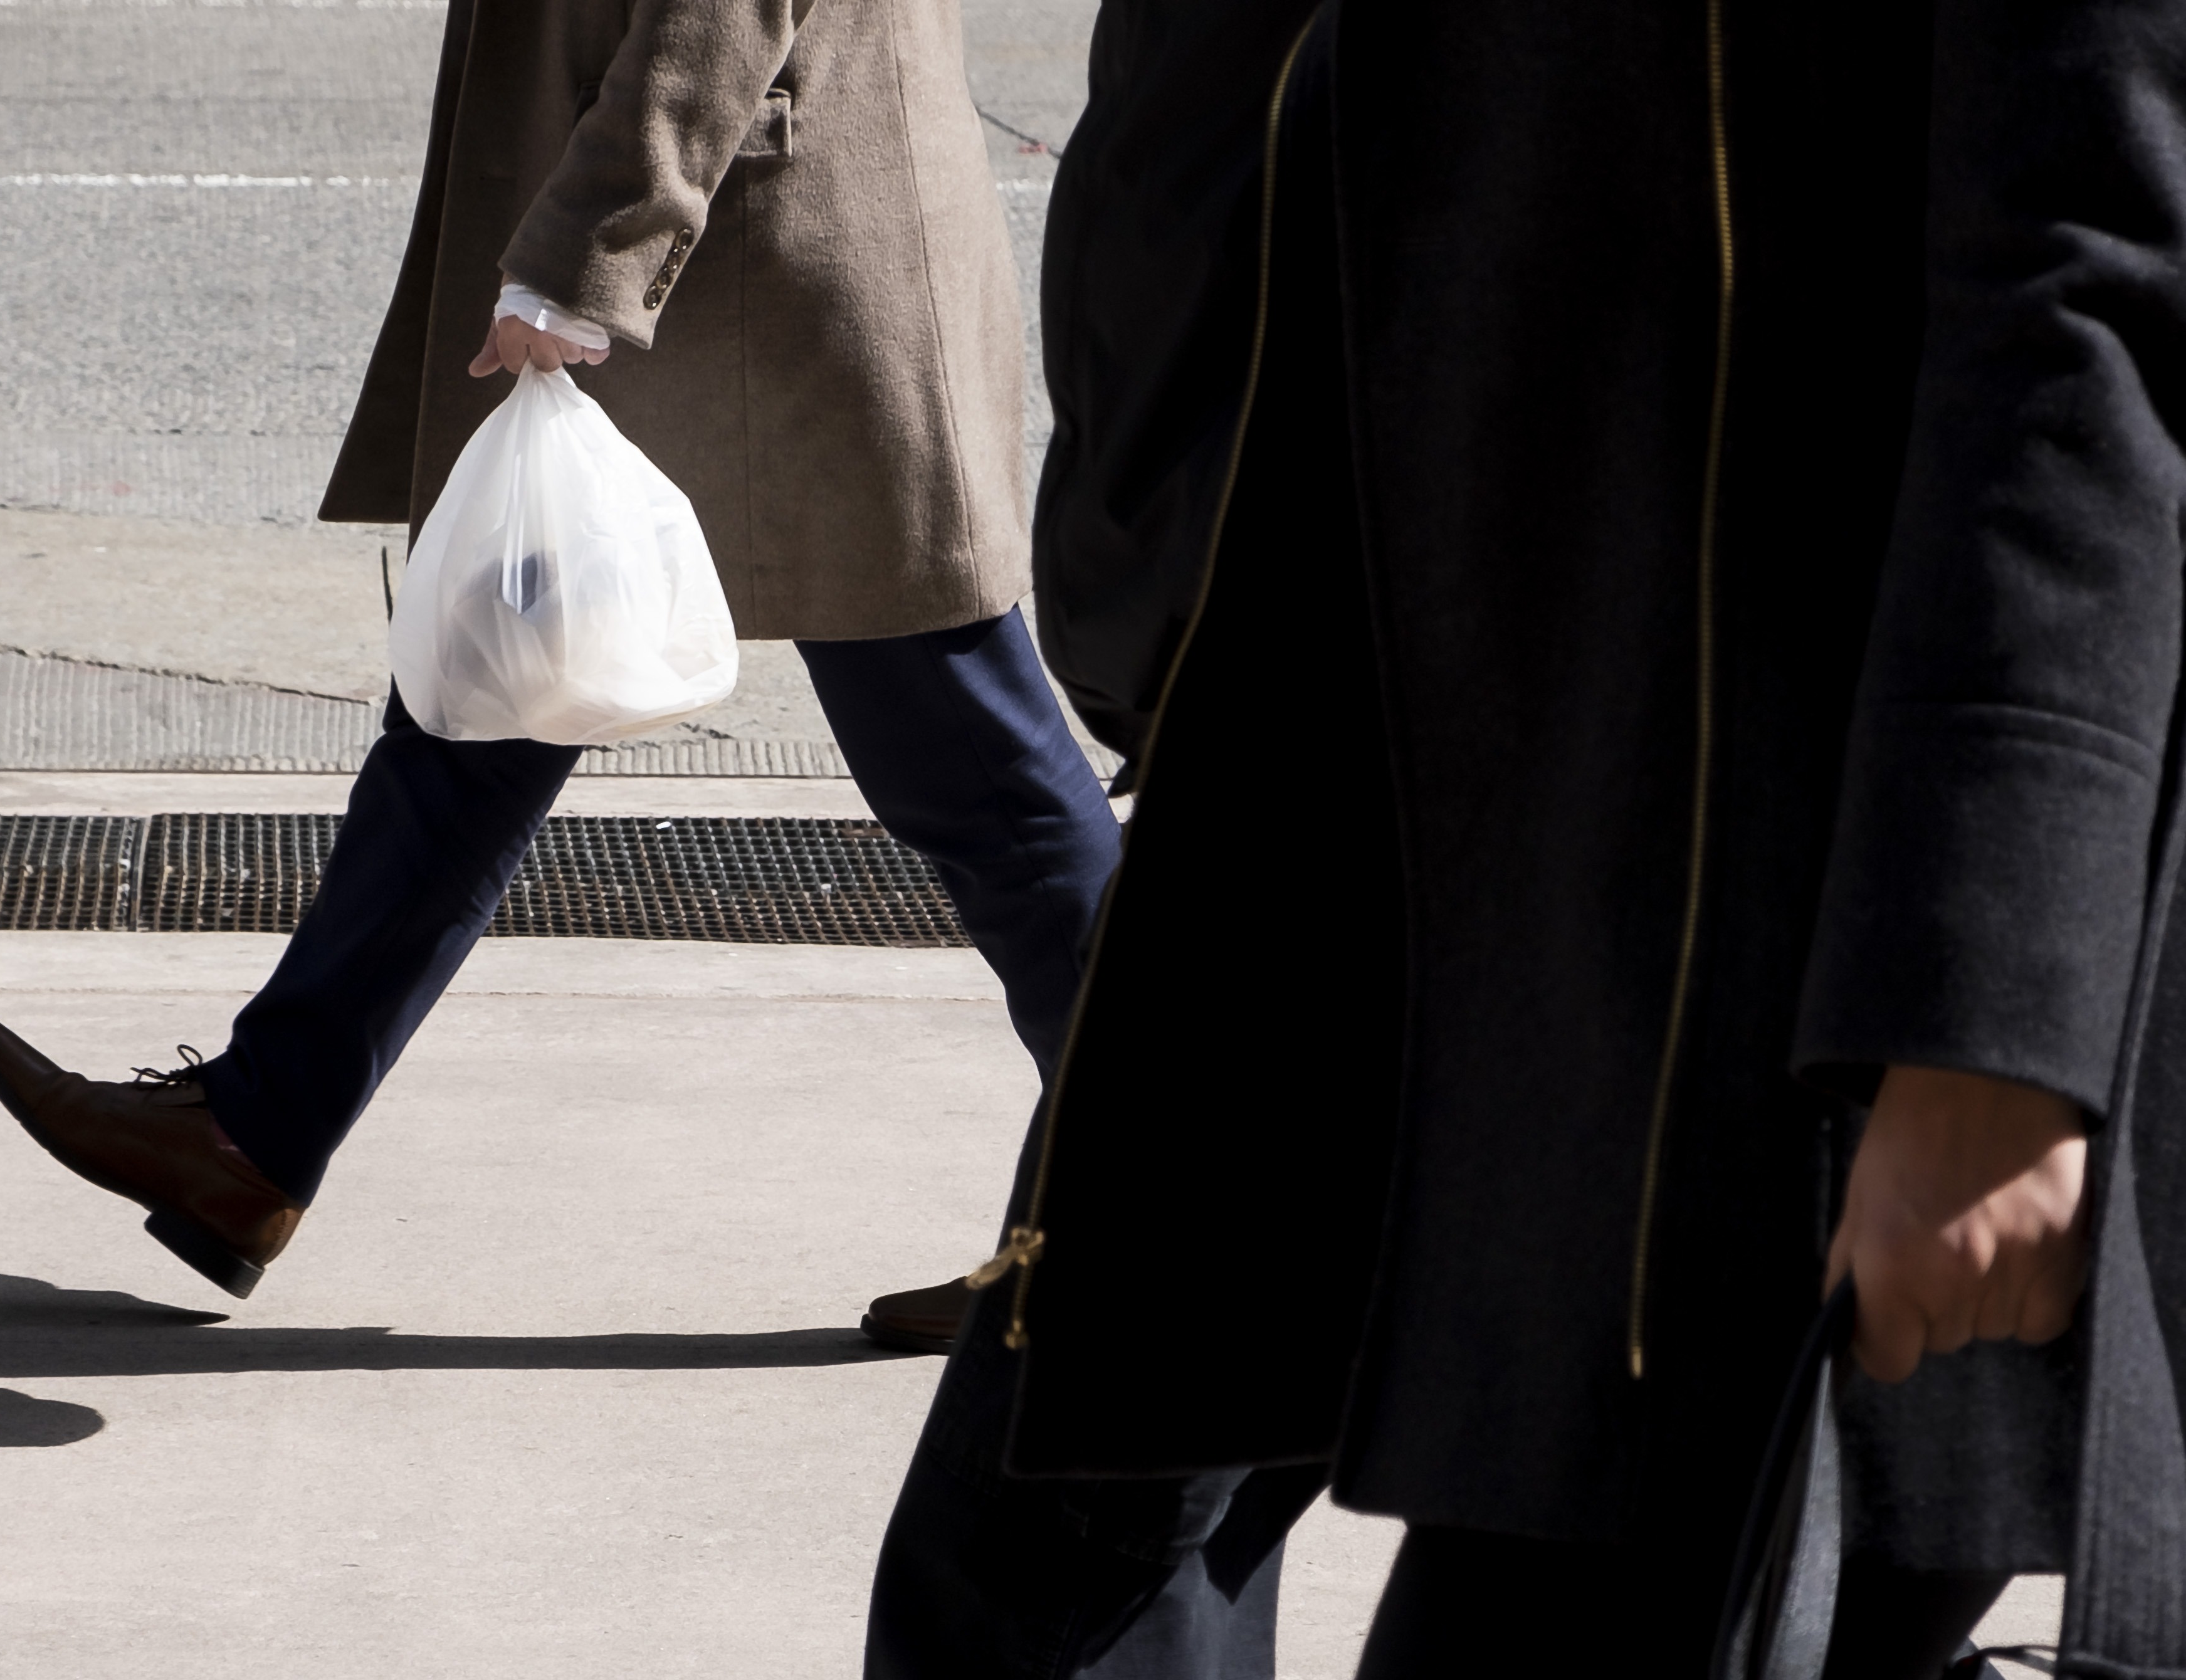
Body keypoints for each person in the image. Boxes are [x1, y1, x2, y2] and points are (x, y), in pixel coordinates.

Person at [866, 0, 2186, 1674]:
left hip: (1780, 914)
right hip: (1390, 790)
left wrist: (1987, 1017)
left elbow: (2088, 285)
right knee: (1025, 1552)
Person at [0, 0, 1118, 1342]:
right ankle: (249, 1133)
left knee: (973, 761)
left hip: (750, 237)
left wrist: (593, 248)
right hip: (723, 238)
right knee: (480, 710)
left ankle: (1165, 1210)